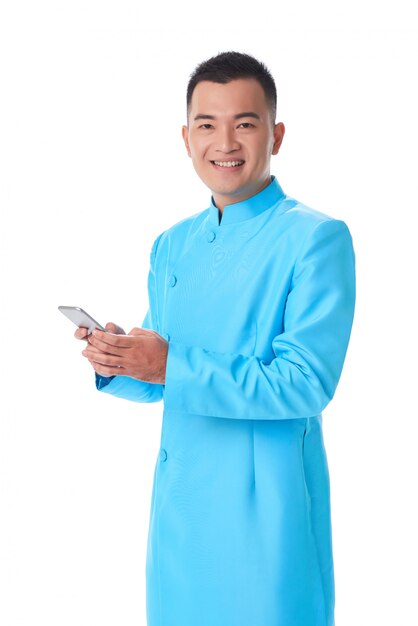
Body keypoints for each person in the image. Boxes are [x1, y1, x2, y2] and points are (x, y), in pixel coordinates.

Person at [76, 51, 356, 626]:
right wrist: (120, 360)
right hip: (180, 516)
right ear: (185, 137)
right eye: (207, 124)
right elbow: (164, 382)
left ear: (275, 135)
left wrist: (168, 366)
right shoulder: (171, 245)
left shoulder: (316, 240)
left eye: (245, 123)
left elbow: (304, 384)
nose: (224, 142)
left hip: (266, 520)